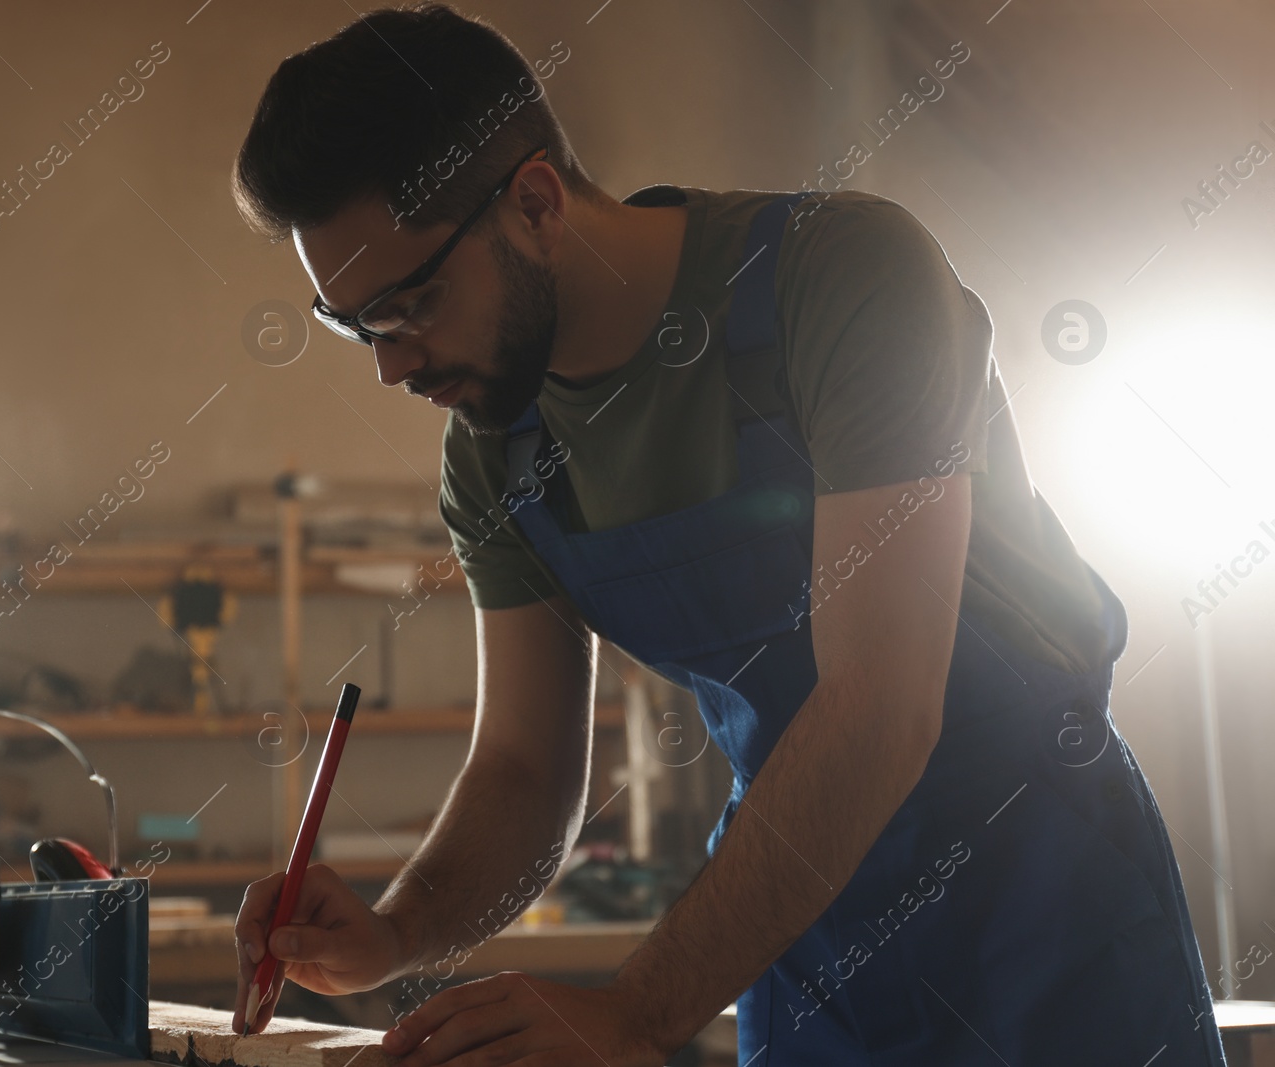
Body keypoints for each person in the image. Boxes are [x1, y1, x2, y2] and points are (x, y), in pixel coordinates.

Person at [227, 4, 1226, 1064]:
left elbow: (879, 708)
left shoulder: (844, 279)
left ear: (533, 201)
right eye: (358, 325)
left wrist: (632, 1012)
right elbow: (523, 767)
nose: (392, 363)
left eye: (413, 300)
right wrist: (399, 927)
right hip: (802, 946)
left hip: (1050, 921)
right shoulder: (498, 455)